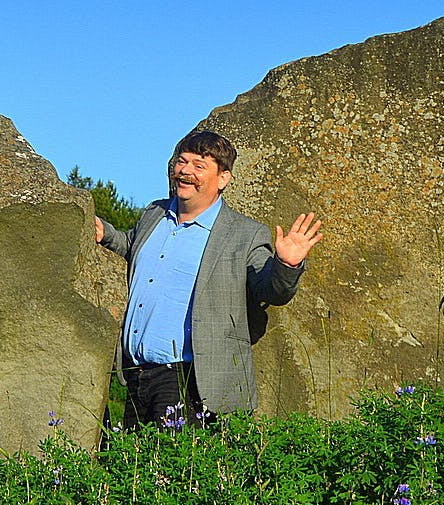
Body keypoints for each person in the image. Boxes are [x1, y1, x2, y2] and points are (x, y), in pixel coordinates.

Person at [94, 130, 322, 428]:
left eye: (199, 165)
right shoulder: (154, 213)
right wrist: (105, 233)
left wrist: (286, 264)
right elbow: (131, 244)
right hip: (136, 375)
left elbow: (271, 291)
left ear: (223, 178)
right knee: (137, 472)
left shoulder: (244, 234)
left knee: (176, 473)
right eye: (181, 162)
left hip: (188, 382)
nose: (185, 171)